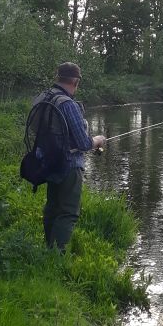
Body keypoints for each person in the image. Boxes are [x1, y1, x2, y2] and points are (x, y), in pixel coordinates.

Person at [41, 61, 106, 251]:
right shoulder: (68, 104)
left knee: (52, 208)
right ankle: (56, 256)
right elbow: (84, 144)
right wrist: (98, 139)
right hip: (69, 165)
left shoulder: (46, 98)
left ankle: (48, 248)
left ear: (58, 78)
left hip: (48, 162)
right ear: (75, 81)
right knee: (68, 212)